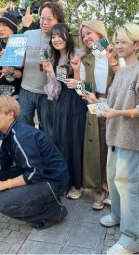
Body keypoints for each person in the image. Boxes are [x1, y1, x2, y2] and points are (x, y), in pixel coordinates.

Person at [83, 23, 139, 254]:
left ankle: (134, 238)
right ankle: (119, 215)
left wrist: (118, 113)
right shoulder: (122, 70)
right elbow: (112, 104)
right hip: (115, 137)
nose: (118, 45)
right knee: (116, 181)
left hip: (130, 138)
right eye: (116, 41)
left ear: (137, 45)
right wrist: (94, 100)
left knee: (131, 188)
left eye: (123, 42)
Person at [0, 95, 69, 229]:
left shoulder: (22, 136)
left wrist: (4, 184)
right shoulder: (5, 131)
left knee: (4, 204)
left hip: (52, 181)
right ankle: (43, 200)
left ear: (10, 115)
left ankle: (53, 211)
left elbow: (34, 174)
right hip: (37, 173)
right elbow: (4, 161)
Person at [71, 20, 120, 207]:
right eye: (83, 35)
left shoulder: (113, 52)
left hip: (116, 104)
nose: (86, 38)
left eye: (89, 33)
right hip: (94, 104)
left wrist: (112, 61)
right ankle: (100, 189)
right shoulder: (86, 59)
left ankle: (113, 189)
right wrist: (76, 71)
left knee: (114, 147)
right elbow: (81, 90)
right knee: (98, 147)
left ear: (100, 33)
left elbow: (124, 76)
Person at [42, 23, 88, 200]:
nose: (56, 39)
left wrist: (77, 82)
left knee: (76, 142)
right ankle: (64, 181)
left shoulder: (79, 54)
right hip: (61, 104)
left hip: (78, 102)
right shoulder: (53, 59)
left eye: (60, 36)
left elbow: (87, 82)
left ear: (67, 36)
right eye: (53, 37)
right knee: (61, 141)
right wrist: (51, 73)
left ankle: (78, 185)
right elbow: (54, 91)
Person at [18, 1, 65, 139]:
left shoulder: (61, 39)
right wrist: (10, 57)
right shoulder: (29, 34)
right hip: (26, 90)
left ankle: (48, 159)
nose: (44, 22)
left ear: (58, 20)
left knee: (49, 131)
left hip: (48, 93)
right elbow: (20, 64)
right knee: (24, 128)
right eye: (42, 18)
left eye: (49, 19)